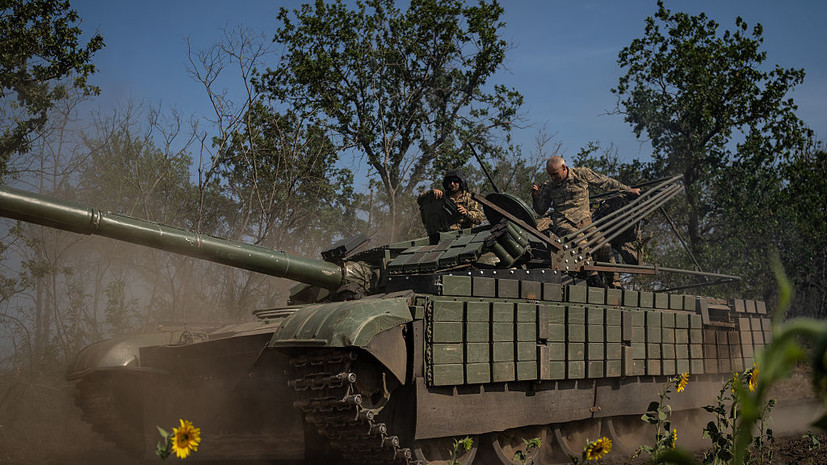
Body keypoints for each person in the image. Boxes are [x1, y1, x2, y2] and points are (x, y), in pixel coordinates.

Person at [531, 156, 640, 286]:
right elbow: (541, 210)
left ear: (564, 168)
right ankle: (593, 278)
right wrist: (536, 196)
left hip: (585, 222)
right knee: (581, 243)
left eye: (555, 174)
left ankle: (615, 284)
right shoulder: (549, 186)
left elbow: (605, 182)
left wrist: (628, 190)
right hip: (563, 223)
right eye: (550, 175)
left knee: (604, 246)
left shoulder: (581, 174)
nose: (553, 178)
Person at [418, 169, 484, 233]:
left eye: (455, 181)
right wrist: (432, 191)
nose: (452, 184)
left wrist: (467, 213)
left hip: (465, 234)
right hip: (445, 234)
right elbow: (420, 200)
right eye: (449, 182)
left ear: (461, 182)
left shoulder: (469, 199)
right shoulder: (442, 197)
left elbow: (480, 218)